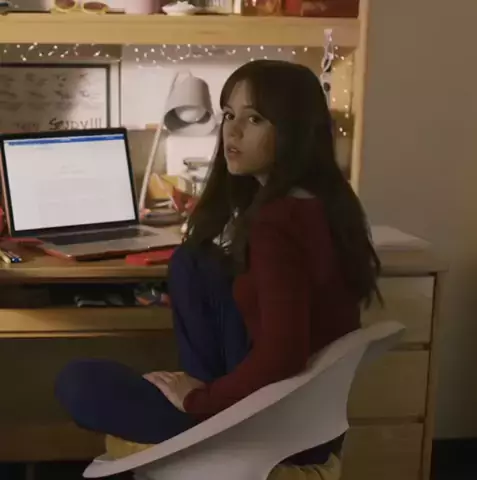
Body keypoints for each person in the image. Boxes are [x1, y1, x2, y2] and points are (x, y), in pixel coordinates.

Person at [55, 59, 381, 466]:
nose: (233, 130)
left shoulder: (276, 223)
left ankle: (202, 415)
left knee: (79, 383)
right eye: (228, 115)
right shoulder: (328, 203)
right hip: (310, 420)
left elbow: (283, 357)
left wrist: (198, 399)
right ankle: (203, 400)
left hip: (274, 429)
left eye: (255, 118)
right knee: (195, 262)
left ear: (295, 130)